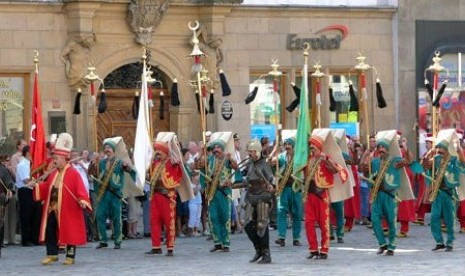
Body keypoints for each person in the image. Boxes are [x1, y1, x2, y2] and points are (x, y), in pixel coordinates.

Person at [31, 133, 91, 265]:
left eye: (57, 158)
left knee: (69, 229)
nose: (55, 160)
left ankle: (70, 256)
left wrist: (82, 199)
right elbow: (47, 187)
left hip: (68, 208)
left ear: (64, 158)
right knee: (50, 229)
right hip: (52, 206)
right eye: (54, 158)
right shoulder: (53, 173)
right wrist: (36, 186)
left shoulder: (73, 173)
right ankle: (52, 254)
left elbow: (80, 189)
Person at [304, 135, 347, 260]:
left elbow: (335, 170)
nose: (311, 147)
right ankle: (313, 249)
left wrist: (326, 160)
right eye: (310, 144)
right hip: (310, 194)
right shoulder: (308, 159)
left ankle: (324, 249)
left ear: (318, 146)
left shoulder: (325, 158)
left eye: (313, 144)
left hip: (322, 194)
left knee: (324, 224)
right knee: (309, 223)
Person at [423, 130, 465, 252]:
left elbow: (463, 164)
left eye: (442, 148)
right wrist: (429, 154)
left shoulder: (453, 160)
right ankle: (439, 242)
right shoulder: (435, 159)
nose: (440, 150)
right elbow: (425, 165)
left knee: (449, 219)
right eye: (439, 148)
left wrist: (459, 151)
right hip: (437, 193)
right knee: (434, 218)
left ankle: (450, 242)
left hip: (450, 193)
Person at [365, 134, 407, 256]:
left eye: (383, 147)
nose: (381, 149)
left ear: (387, 149)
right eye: (380, 147)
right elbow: (364, 169)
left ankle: (392, 246)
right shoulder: (375, 162)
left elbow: (407, 161)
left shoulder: (394, 161)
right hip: (377, 195)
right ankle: (382, 244)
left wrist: (405, 148)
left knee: (391, 221)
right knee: (374, 219)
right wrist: (366, 155)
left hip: (390, 195)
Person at [94, 138, 136, 249]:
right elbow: (95, 175)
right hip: (103, 193)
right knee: (100, 216)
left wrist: (127, 167)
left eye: (109, 148)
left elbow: (131, 171)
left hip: (115, 194)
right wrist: (93, 165)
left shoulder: (119, 162)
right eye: (106, 148)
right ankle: (103, 240)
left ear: (113, 150)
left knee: (116, 218)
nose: (107, 150)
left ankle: (118, 240)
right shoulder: (101, 163)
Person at [197, 138, 237, 252]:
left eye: (218, 147)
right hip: (212, 192)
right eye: (214, 148)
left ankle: (226, 243)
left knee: (225, 217)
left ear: (222, 149)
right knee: (213, 217)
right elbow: (197, 167)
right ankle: (217, 242)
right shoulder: (209, 160)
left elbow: (236, 168)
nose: (216, 150)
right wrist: (201, 152)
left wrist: (231, 159)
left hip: (224, 192)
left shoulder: (227, 159)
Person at [145, 141, 183, 256]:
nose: (157, 153)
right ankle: (156, 246)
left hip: (166, 196)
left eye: (159, 151)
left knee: (169, 222)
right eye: (156, 151)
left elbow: (178, 170)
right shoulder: (155, 164)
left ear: (165, 152)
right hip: (154, 195)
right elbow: (147, 175)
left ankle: (170, 247)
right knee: (154, 221)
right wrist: (151, 159)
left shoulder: (171, 162)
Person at [243, 139, 274, 264]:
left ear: (257, 151)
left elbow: (271, 177)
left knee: (261, 225)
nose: (250, 154)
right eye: (249, 151)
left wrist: (271, 185)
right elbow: (245, 176)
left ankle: (266, 254)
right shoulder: (249, 163)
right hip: (251, 196)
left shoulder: (264, 164)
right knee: (247, 224)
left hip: (263, 196)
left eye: (251, 151)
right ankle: (258, 250)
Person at [272, 137, 302, 247]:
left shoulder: (299, 158)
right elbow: (272, 165)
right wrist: (273, 160)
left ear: (294, 146)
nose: (287, 146)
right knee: (281, 212)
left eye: (289, 144)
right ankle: (281, 237)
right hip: (283, 189)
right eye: (286, 144)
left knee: (297, 214)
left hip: (295, 189)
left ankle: (296, 238)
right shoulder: (280, 157)